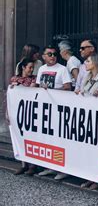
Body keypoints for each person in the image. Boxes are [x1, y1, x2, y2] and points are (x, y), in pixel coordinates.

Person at [34, 45, 72, 180]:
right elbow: (38, 87)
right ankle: (49, 167)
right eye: (49, 54)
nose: (52, 56)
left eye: (55, 54)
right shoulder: (41, 69)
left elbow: (68, 87)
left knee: (59, 140)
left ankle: (62, 169)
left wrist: (53, 91)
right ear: (43, 56)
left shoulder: (62, 69)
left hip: (58, 109)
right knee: (47, 139)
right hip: (45, 109)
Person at [76, 54, 98, 191]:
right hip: (86, 116)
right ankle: (89, 176)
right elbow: (82, 91)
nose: (85, 63)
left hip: (97, 117)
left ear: (94, 63)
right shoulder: (87, 77)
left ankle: (97, 178)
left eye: (88, 61)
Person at [10, 58, 37, 176]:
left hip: (30, 112)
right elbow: (10, 95)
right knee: (20, 138)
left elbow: (31, 91)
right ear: (23, 67)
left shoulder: (34, 78)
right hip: (17, 111)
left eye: (32, 67)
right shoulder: (14, 79)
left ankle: (32, 166)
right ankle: (23, 165)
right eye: (29, 67)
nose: (31, 70)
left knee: (31, 138)